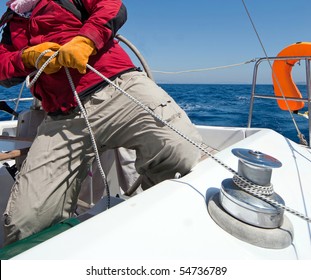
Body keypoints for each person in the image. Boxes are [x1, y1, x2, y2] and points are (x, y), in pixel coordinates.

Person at [0, 0, 204, 246]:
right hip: (63, 118)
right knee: (25, 221)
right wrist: (28, 58)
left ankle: (157, 235)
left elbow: (111, 6)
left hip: (119, 87)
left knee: (181, 155)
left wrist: (85, 40)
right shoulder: (11, 26)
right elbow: (3, 68)